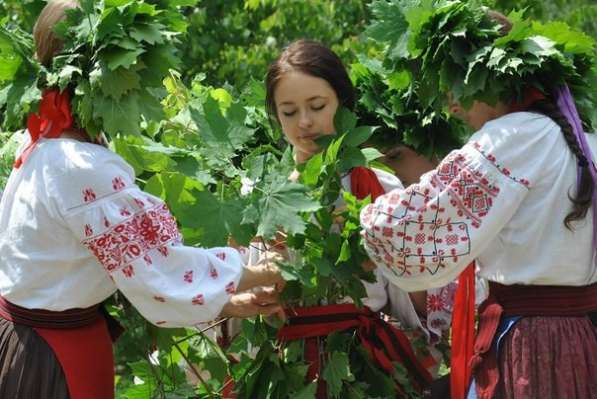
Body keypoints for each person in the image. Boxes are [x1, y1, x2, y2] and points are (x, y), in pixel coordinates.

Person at [0, 1, 284, 398]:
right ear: (99, 77)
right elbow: (156, 263)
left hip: (32, 343)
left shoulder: (42, 143)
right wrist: (256, 269)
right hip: (57, 357)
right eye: (134, 68)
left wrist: (229, 303)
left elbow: (111, 267)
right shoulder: (80, 164)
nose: (143, 84)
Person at [360, 7, 596, 399]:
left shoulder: (511, 138)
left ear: (487, 77)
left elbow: (416, 221)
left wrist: (362, 218)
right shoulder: (580, 133)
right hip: (580, 336)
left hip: (533, 342)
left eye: (455, 87)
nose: (451, 105)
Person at [261, 39, 465, 394]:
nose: (305, 122)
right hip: (291, 365)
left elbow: (417, 293)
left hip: (366, 361)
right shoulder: (263, 194)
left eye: (318, 106)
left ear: (343, 104)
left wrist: (385, 259)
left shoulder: (378, 186)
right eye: (289, 112)